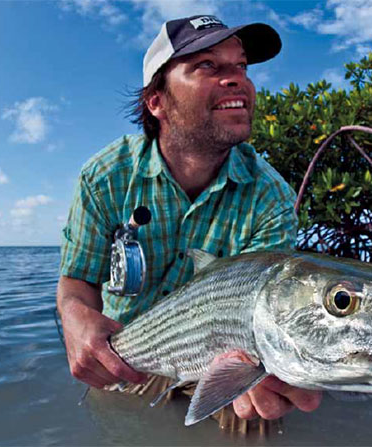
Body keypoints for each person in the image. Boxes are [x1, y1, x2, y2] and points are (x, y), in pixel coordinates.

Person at [57, 14, 321, 422]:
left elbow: (265, 312)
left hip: (227, 360)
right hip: (126, 359)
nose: (238, 79)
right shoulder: (106, 177)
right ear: (156, 101)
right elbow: (77, 279)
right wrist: (76, 320)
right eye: (208, 66)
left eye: (241, 67)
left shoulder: (272, 198)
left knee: (256, 417)